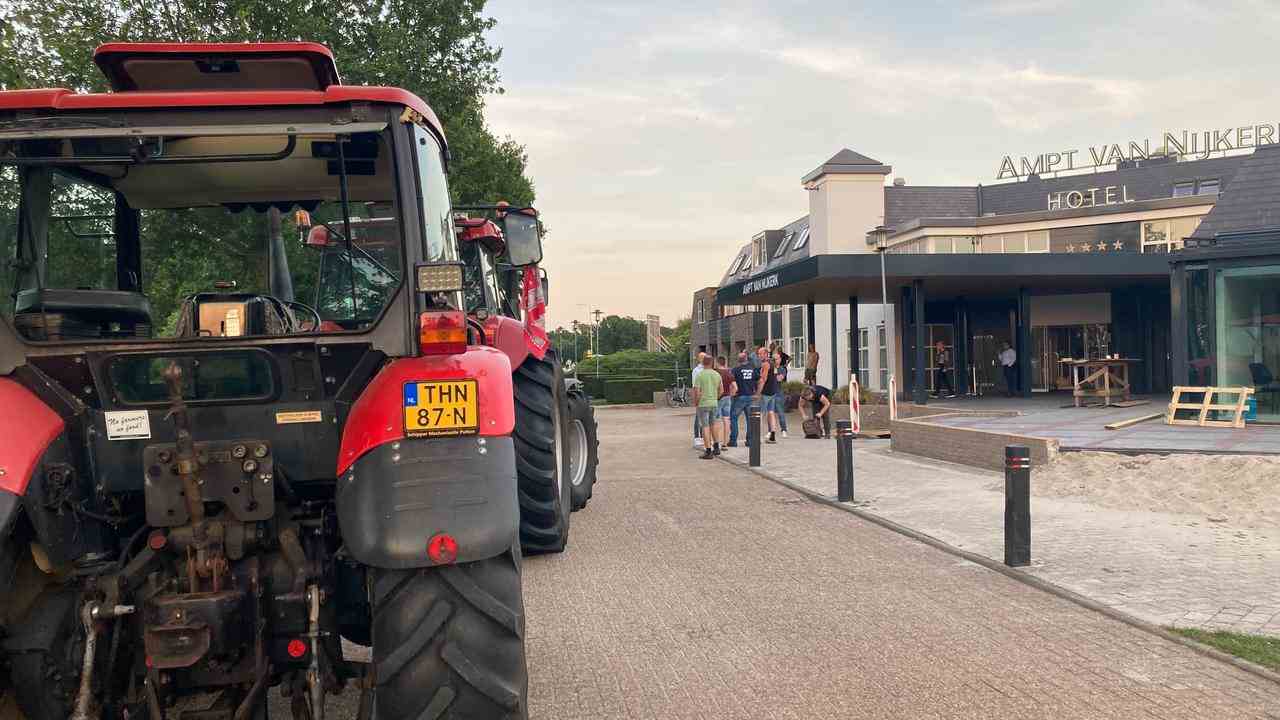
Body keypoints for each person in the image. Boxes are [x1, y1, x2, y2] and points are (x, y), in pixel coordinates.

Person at [691, 354, 723, 459]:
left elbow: (697, 392)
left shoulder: (700, 375)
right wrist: (715, 397)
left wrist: (696, 402)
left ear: (703, 363)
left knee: (705, 426)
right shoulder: (717, 374)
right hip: (714, 403)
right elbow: (721, 390)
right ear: (712, 363)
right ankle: (717, 447)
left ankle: (708, 451)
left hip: (703, 403)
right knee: (713, 424)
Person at [727, 352, 756, 447]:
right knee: (750, 419)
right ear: (746, 358)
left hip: (739, 397)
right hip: (750, 396)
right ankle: (750, 441)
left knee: (734, 418)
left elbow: (732, 383)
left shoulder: (735, 370)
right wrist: (757, 392)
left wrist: (732, 394)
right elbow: (759, 380)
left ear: (738, 360)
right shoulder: (753, 369)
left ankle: (733, 441)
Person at [756, 346, 781, 443]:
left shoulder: (765, 364)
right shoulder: (773, 363)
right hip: (773, 391)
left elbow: (763, 379)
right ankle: (772, 435)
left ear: (765, 354)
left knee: (760, 414)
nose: (759, 356)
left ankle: (758, 437)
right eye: (758, 354)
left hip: (766, 392)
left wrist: (758, 392)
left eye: (760, 354)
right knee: (771, 412)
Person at [715, 355, 735, 442]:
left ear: (717, 363)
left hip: (718, 398)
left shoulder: (716, 372)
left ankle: (717, 441)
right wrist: (731, 395)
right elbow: (735, 387)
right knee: (726, 419)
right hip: (727, 398)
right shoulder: (729, 373)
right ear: (725, 363)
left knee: (717, 420)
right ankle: (725, 442)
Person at [771, 349, 790, 437]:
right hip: (769, 393)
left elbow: (779, 379)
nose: (775, 361)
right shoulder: (769, 368)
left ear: (780, 359)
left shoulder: (782, 369)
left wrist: (773, 374)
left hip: (778, 393)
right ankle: (771, 431)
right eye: (774, 359)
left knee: (780, 412)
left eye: (777, 359)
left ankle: (784, 430)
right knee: (770, 413)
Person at [691, 351, 707, 448]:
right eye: (702, 357)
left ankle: (704, 436)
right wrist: (696, 399)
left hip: (708, 397)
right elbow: (694, 386)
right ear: (699, 359)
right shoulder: (696, 371)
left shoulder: (709, 369)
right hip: (700, 396)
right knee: (698, 418)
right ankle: (697, 437)